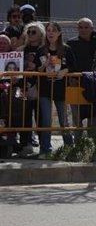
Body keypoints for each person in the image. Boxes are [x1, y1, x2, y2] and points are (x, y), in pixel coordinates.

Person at [38, 22, 76, 154]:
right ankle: (45, 150)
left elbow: (73, 65)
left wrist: (65, 70)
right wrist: (45, 64)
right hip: (45, 89)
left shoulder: (66, 49)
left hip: (61, 89)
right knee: (46, 120)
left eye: (53, 30)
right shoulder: (41, 49)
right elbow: (37, 69)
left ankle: (69, 149)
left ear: (59, 33)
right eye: (48, 30)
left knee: (63, 120)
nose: (50, 33)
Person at [17, 22, 46, 156]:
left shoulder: (45, 50)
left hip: (41, 89)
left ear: (41, 34)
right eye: (28, 32)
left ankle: (43, 146)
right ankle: (25, 145)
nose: (30, 34)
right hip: (24, 88)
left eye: (33, 32)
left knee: (41, 118)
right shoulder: (21, 50)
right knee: (24, 118)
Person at [67, 18, 96, 133]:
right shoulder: (70, 43)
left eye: (86, 27)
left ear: (92, 29)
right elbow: (68, 63)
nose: (83, 30)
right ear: (77, 29)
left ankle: (93, 144)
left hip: (94, 84)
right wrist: (72, 77)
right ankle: (78, 144)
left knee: (93, 115)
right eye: (80, 27)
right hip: (75, 83)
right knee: (77, 117)